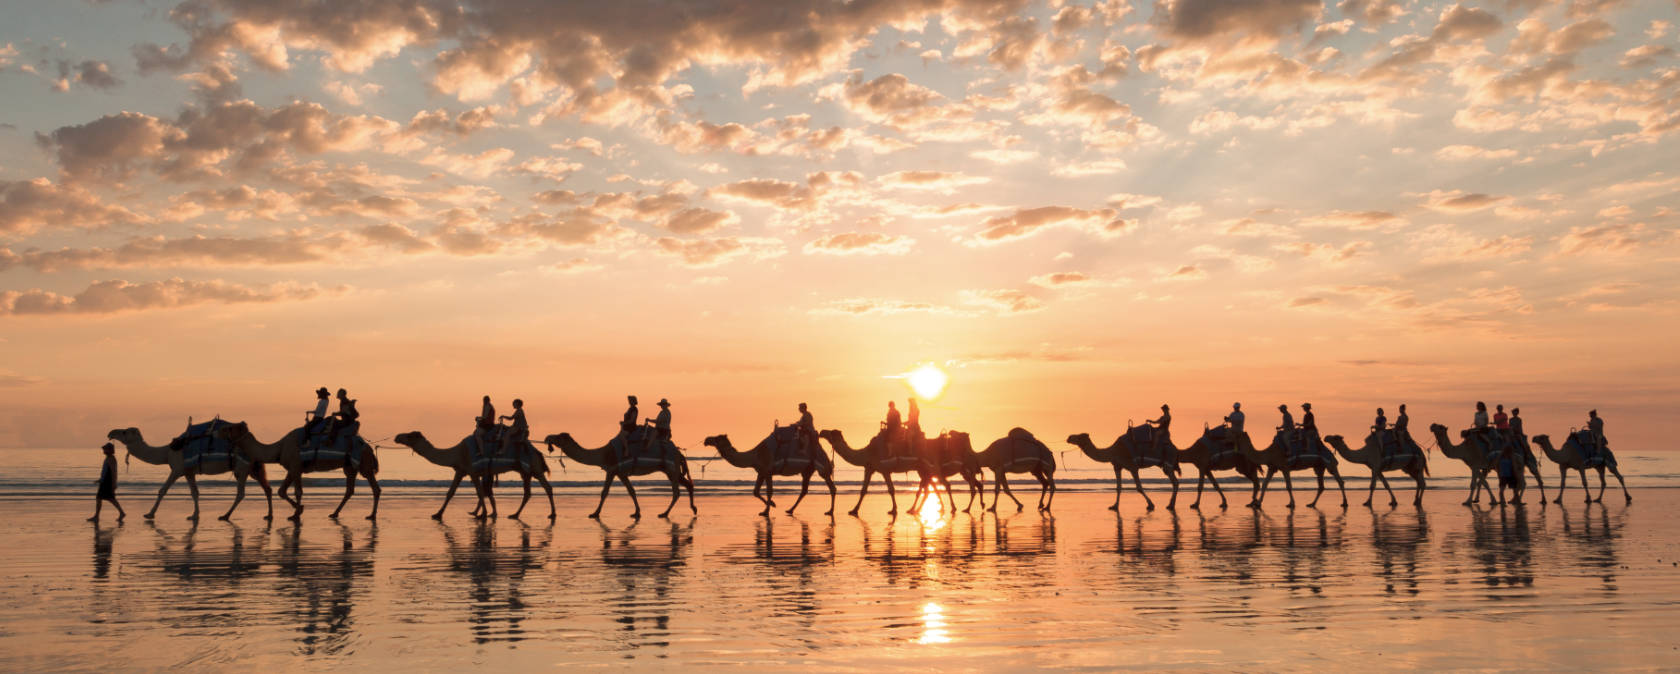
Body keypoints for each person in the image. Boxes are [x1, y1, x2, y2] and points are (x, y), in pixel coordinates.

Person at [88, 442, 125, 522]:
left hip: (107, 482)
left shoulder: (111, 459)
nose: (103, 450)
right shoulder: (108, 458)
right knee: (109, 499)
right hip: (105, 481)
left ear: (109, 450)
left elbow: (114, 472)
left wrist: (114, 484)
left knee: (102, 498)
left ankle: (97, 516)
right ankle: (121, 513)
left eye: (105, 449)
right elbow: (105, 471)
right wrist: (100, 479)